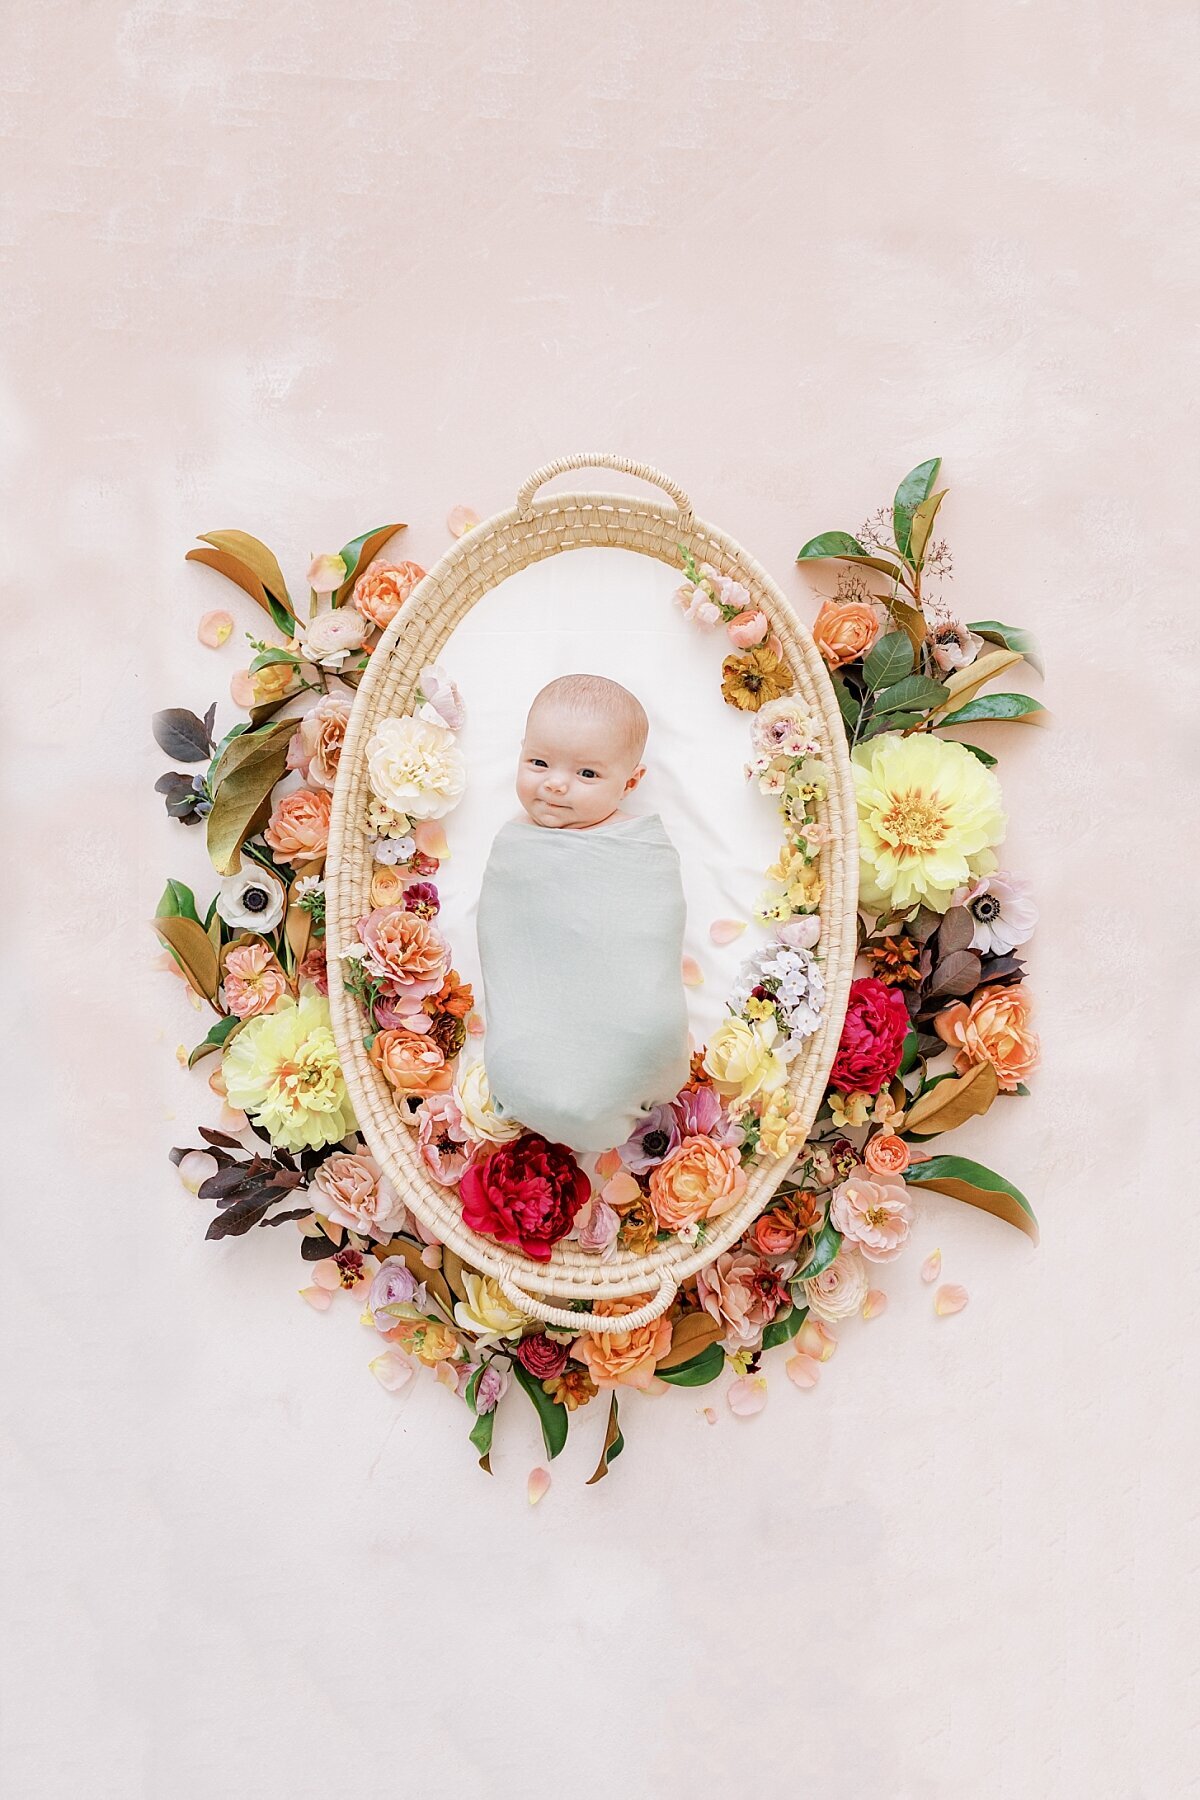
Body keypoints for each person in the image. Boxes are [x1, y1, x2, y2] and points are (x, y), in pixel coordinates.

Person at [475, 674, 692, 1155]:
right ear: (520, 753)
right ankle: (527, 1079)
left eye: (587, 774)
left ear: (630, 783)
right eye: (538, 762)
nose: (554, 783)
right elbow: (508, 936)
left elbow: (652, 925)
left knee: (645, 1022)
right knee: (524, 1046)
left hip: (636, 1032)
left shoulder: (638, 848)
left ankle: (640, 1060)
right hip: (531, 1046)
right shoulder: (516, 846)